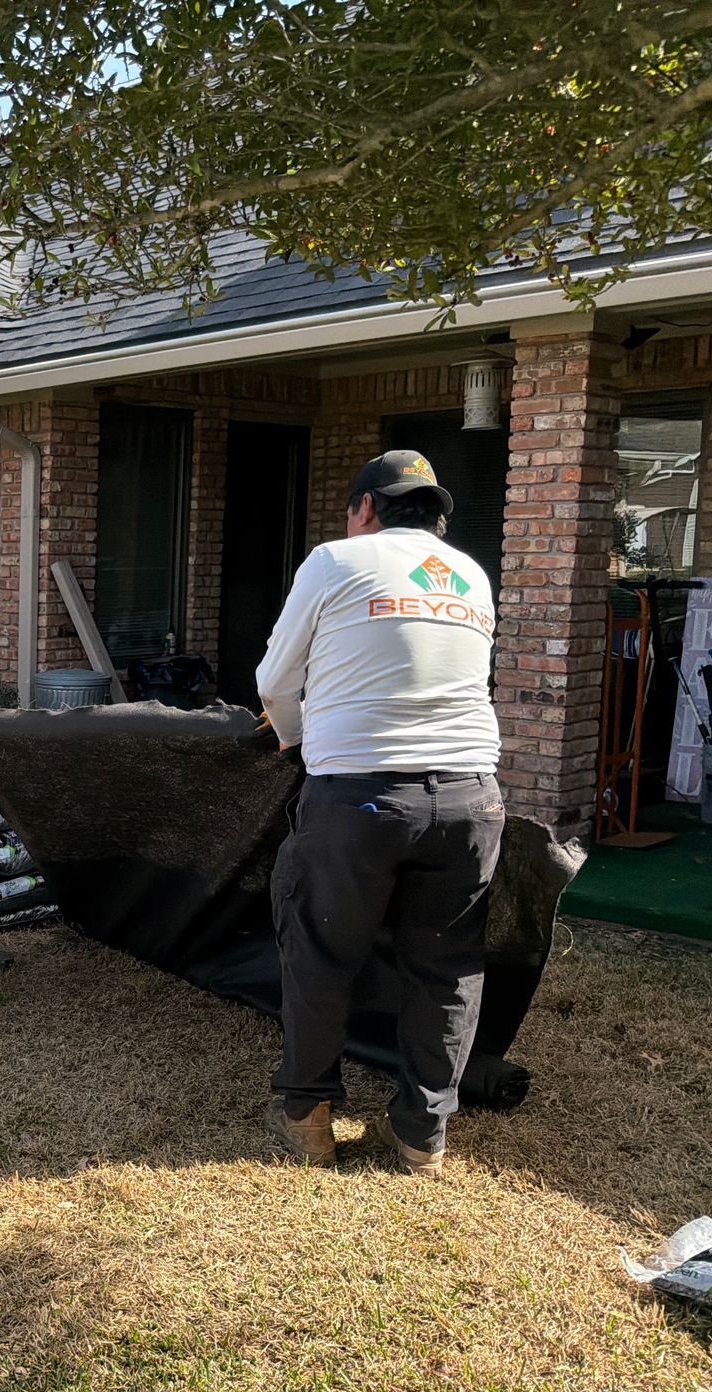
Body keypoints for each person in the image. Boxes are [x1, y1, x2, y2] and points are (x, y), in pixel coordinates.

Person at [255, 450, 504, 1178]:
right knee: (448, 968)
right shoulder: (473, 576)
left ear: (365, 509)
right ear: (436, 517)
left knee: (324, 954)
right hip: (469, 796)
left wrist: (299, 739)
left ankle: (306, 1115)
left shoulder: (334, 562)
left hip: (358, 795)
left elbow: (274, 679)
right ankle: (422, 1134)